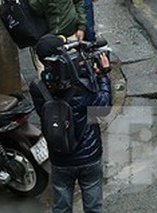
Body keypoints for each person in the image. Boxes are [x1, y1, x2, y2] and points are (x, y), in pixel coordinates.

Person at [31, 35, 111, 213]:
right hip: (89, 155)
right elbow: (103, 108)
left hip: (60, 156)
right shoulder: (81, 85)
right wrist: (102, 76)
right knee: (93, 205)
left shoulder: (38, 87)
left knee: (61, 205)